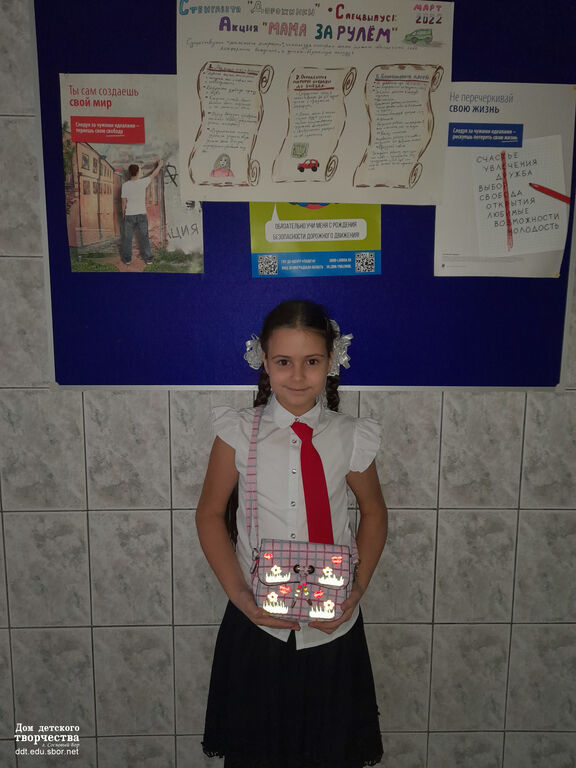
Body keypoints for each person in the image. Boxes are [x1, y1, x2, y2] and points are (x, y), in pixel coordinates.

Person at [196, 299, 388, 768]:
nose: (298, 375)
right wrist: (241, 598)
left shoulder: (351, 435)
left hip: (332, 629)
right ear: (264, 361)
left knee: (330, 753)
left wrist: (357, 589)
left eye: (312, 361)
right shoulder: (238, 432)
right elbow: (209, 514)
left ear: (331, 361)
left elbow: (374, 512)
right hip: (257, 627)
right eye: (284, 361)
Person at [120, 159, 163, 265]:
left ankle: (127, 260)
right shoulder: (142, 182)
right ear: (138, 172)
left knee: (127, 238)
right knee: (144, 237)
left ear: (129, 173)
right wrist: (160, 165)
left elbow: (123, 202)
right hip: (141, 214)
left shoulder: (125, 185)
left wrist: (123, 214)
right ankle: (148, 259)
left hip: (129, 214)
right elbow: (154, 174)